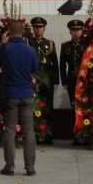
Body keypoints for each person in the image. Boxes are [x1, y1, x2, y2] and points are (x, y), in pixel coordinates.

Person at [0, 20, 38, 176]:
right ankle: (30, 168)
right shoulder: (30, 50)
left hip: (11, 95)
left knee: (10, 131)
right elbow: (34, 68)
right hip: (27, 94)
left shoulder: (6, 49)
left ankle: (9, 167)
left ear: (9, 32)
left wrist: (2, 43)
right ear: (23, 31)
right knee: (29, 132)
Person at [29, 17, 58, 146]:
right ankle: (34, 133)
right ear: (33, 29)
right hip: (33, 78)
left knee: (47, 106)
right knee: (33, 105)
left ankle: (47, 134)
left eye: (41, 27)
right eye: (36, 27)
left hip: (47, 79)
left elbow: (55, 63)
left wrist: (56, 80)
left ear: (44, 29)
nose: (38, 29)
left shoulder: (50, 43)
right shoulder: (29, 43)